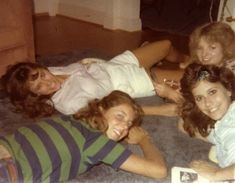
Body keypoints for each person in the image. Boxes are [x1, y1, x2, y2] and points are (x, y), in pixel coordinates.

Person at [0, 90, 167, 182]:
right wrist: (145, 141)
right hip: (10, 164)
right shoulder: (97, 141)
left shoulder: (71, 118)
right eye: (120, 116)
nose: (125, 126)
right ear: (101, 109)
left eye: (129, 124)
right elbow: (158, 171)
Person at [1, 40, 186, 118]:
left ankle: (186, 60)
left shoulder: (51, 70)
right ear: (35, 96)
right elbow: (105, 111)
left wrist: (90, 63)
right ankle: (164, 70)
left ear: (41, 68)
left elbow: (76, 68)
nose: (48, 82)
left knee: (166, 45)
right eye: (39, 87)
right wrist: (160, 110)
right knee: (192, 78)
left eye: (42, 75)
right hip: (130, 82)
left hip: (114, 64)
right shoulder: (68, 104)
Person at [152, 21, 235, 103]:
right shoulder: (212, 68)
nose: (204, 54)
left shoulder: (227, 74)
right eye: (200, 48)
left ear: (225, 48)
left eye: (212, 48)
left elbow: (205, 106)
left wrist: (171, 94)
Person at [180, 63, 235, 181]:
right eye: (199, 98)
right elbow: (184, 126)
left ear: (228, 89)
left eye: (212, 92)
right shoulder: (224, 123)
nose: (208, 103)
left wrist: (216, 174)